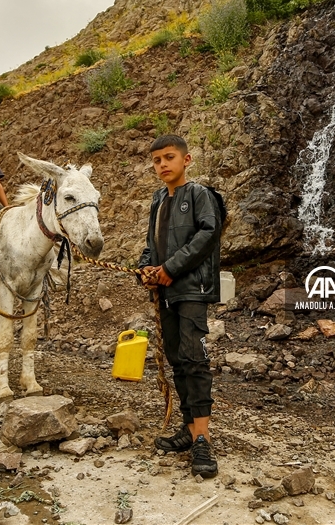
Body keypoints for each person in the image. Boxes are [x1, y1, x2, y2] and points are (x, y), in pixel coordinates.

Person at [138, 134, 221, 478]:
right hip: (166, 293)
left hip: (192, 289)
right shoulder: (158, 199)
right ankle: (188, 430)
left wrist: (170, 269)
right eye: (157, 160)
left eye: (169, 157)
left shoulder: (200, 194)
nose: (162, 165)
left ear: (186, 160)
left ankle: (202, 437)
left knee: (194, 358)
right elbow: (151, 245)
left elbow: (208, 234)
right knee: (176, 358)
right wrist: (146, 269)